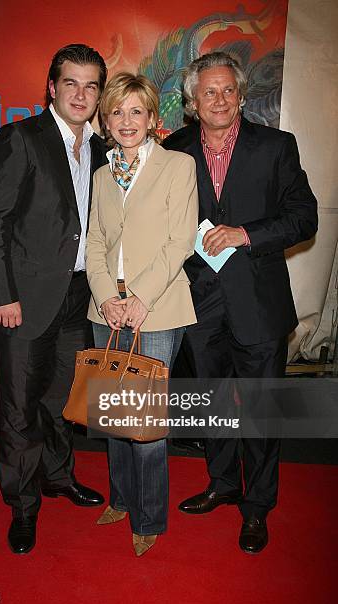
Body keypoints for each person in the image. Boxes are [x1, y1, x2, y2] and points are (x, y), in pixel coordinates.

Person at [163, 51, 318, 553]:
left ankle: (257, 507)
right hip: (198, 305)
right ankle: (222, 483)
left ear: (242, 94)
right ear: (192, 101)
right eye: (209, 91)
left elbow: (304, 218)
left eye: (228, 89)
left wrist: (245, 234)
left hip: (259, 303)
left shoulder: (276, 146)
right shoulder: (174, 149)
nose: (220, 99)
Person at [0, 44, 108, 554]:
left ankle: (58, 477)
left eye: (91, 85)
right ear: (52, 87)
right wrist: (1, 295)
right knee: (19, 407)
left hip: (77, 297)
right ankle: (23, 506)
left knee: (61, 401)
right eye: (71, 83)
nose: (81, 93)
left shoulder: (102, 148)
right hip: (22, 300)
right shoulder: (21, 138)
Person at [85, 72, 198, 556]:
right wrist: (107, 296)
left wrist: (140, 298)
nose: (126, 120)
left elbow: (180, 242)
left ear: (153, 119)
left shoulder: (178, 165)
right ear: (105, 120)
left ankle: (149, 517)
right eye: (117, 111)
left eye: (137, 111)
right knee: (113, 416)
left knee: (146, 423)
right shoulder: (101, 175)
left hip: (158, 308)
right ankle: (121, 498)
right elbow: (93, 243)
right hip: (105, 308)